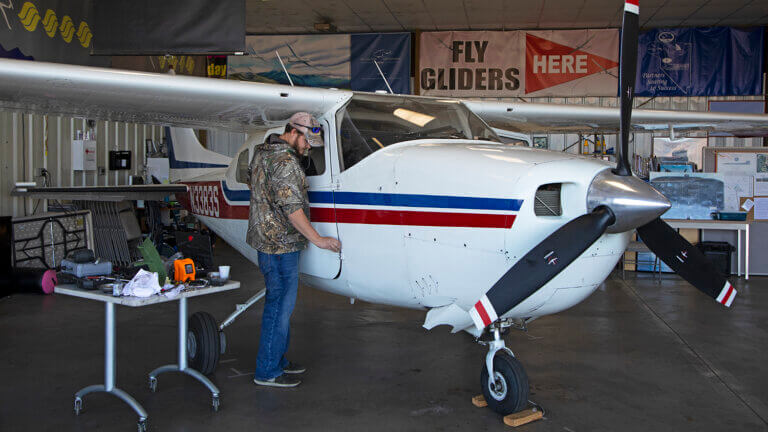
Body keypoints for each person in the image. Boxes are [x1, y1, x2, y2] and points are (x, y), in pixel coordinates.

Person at [247, 112, 341, 388]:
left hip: (267, 242)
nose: (309, 147)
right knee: (279, 307)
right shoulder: (285, 162)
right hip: (280, 246)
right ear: (293, 132)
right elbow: (293, 209)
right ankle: (267, 370)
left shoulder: (263, 153)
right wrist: (319, 240)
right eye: (307, 141)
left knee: (281, 307)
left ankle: (277, 359)